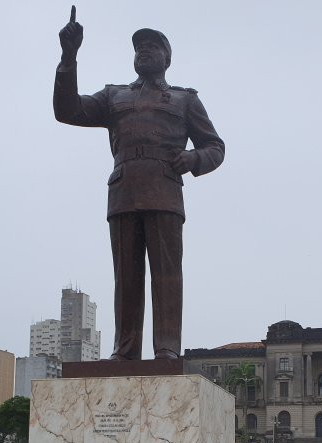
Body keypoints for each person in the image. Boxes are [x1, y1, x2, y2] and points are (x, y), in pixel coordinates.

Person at [54, 6, 225, 360]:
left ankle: (166, 348)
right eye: (138, 47)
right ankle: (126, 349)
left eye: (152, 46)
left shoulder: (184, 99)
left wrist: (193, 159)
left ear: (167, 57)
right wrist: (68, 56)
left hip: (164, 190)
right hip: (123, 192)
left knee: (166, 277)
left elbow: (215, 146)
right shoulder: (114, 95)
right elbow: (67, 110)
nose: (143, 50)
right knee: (127, 278)